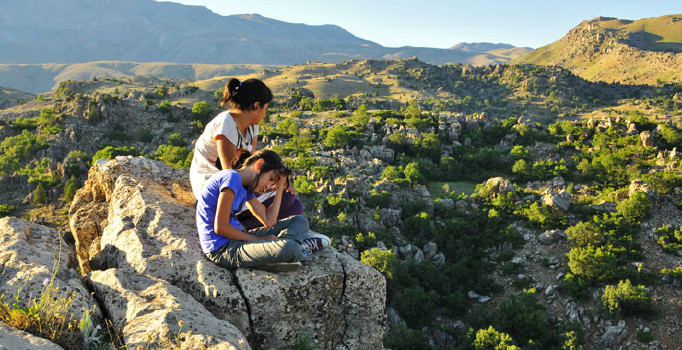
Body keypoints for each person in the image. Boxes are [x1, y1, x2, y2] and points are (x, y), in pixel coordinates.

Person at [189, 77, 303, 230]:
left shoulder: (251, 127)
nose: (265, 114)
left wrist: (275, 182)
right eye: (265, 108)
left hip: (238, 185)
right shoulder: (225, 124)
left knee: (294, 205)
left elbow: (251, 165)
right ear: (257, 105)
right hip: (217, 190)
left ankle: (248, 226)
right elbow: (230, 173)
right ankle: (238, 227)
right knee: (287, 201)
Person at [196, 149, 329, 272]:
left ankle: (279, 252)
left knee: (300, 220)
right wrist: (259, 240)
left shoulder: (245, 188)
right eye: (271, 179)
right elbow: (221, 228)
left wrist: (280, 188)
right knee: (289, 248)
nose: (268, 186)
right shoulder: (231, 178)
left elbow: (269, 221)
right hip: (222, 249)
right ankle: (298, 249)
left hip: (237, 239)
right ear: (259, 164)